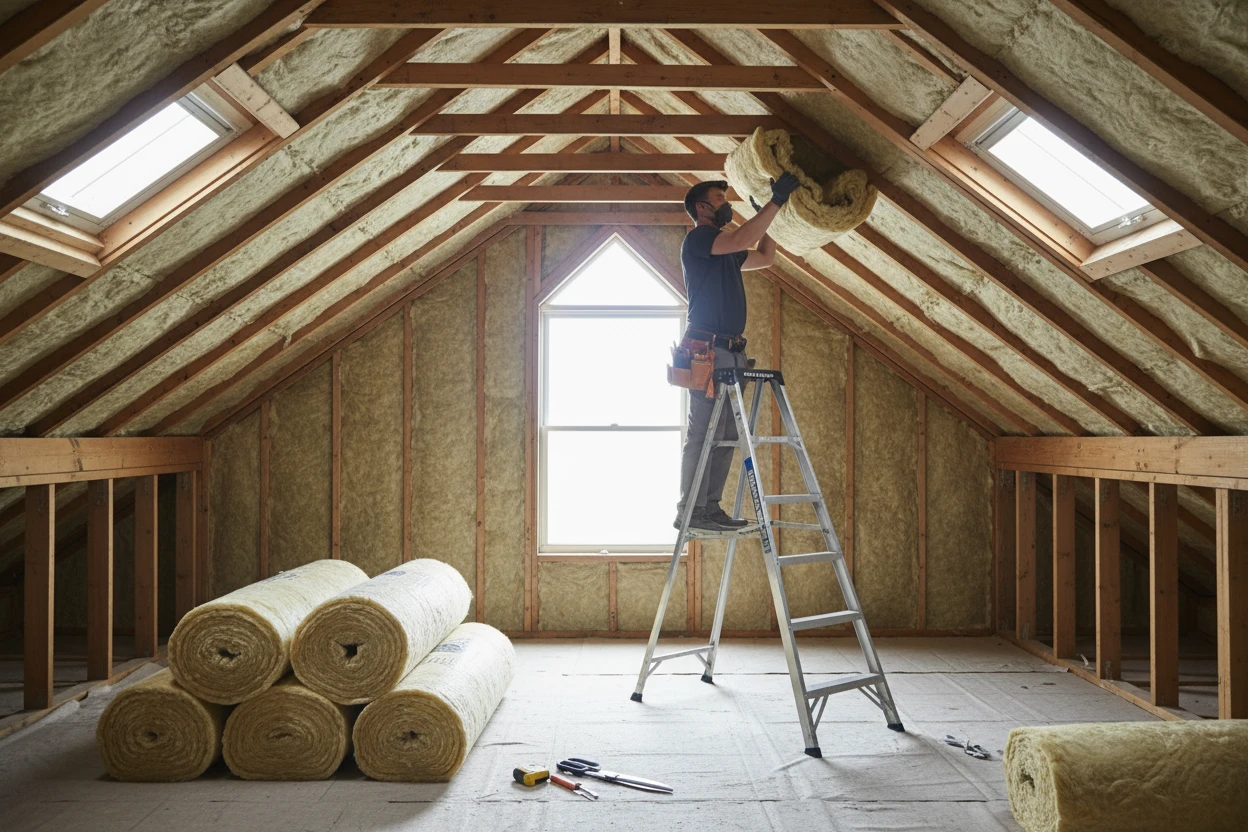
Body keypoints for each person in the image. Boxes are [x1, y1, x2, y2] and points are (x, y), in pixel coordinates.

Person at [675, 174, 800, 532]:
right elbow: (743, 237)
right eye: (719, 197)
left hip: (731, 352)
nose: (725, 203)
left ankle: (710, 508)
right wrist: (775, 202)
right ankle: (690, 510)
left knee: (726, 433)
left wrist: (772, 217)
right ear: (703, 207)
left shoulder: (725, 253)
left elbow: (764, 257)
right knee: (703, 432)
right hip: (707, 352)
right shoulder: (699, 239)